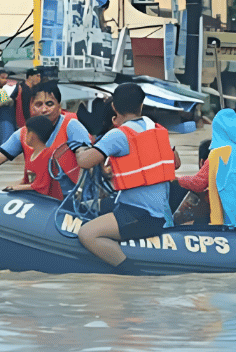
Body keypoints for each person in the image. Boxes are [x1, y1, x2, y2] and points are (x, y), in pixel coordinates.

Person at [75, 83, 176, 268]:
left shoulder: (119, 135)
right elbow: (175, 163)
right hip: (159, 212)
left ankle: (130, 272)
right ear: (141, 106)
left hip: (140, 215)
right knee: (91, 206)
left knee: (87, 233)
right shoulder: (156, 129)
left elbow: (85, 161)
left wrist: (79, 148)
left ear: (114, 107)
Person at [0, 81, 88, 199]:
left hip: (74, 199)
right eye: (38, 104)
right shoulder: (24, 134)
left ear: (59, 107)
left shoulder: (71, 125)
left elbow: (87, 159)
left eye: (49, 104)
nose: (44, 110)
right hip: (42, 200)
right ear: (31, 107)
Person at [1, 115, 58, 196]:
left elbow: (41, 186)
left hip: (45, 199)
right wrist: (13, 186)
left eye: (26, 132)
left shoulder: (47, 155)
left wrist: (16, 188)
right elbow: (26, 180)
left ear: (31, 135)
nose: (24, 135)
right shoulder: (31, 155)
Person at [0, 70, 16, 144]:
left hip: (9, 119)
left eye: (6, 78)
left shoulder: (3, 91)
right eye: (2, 78)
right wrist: (9, 101)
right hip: (3, 119)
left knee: (9, 142)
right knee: (6, 143)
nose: (4, 80)